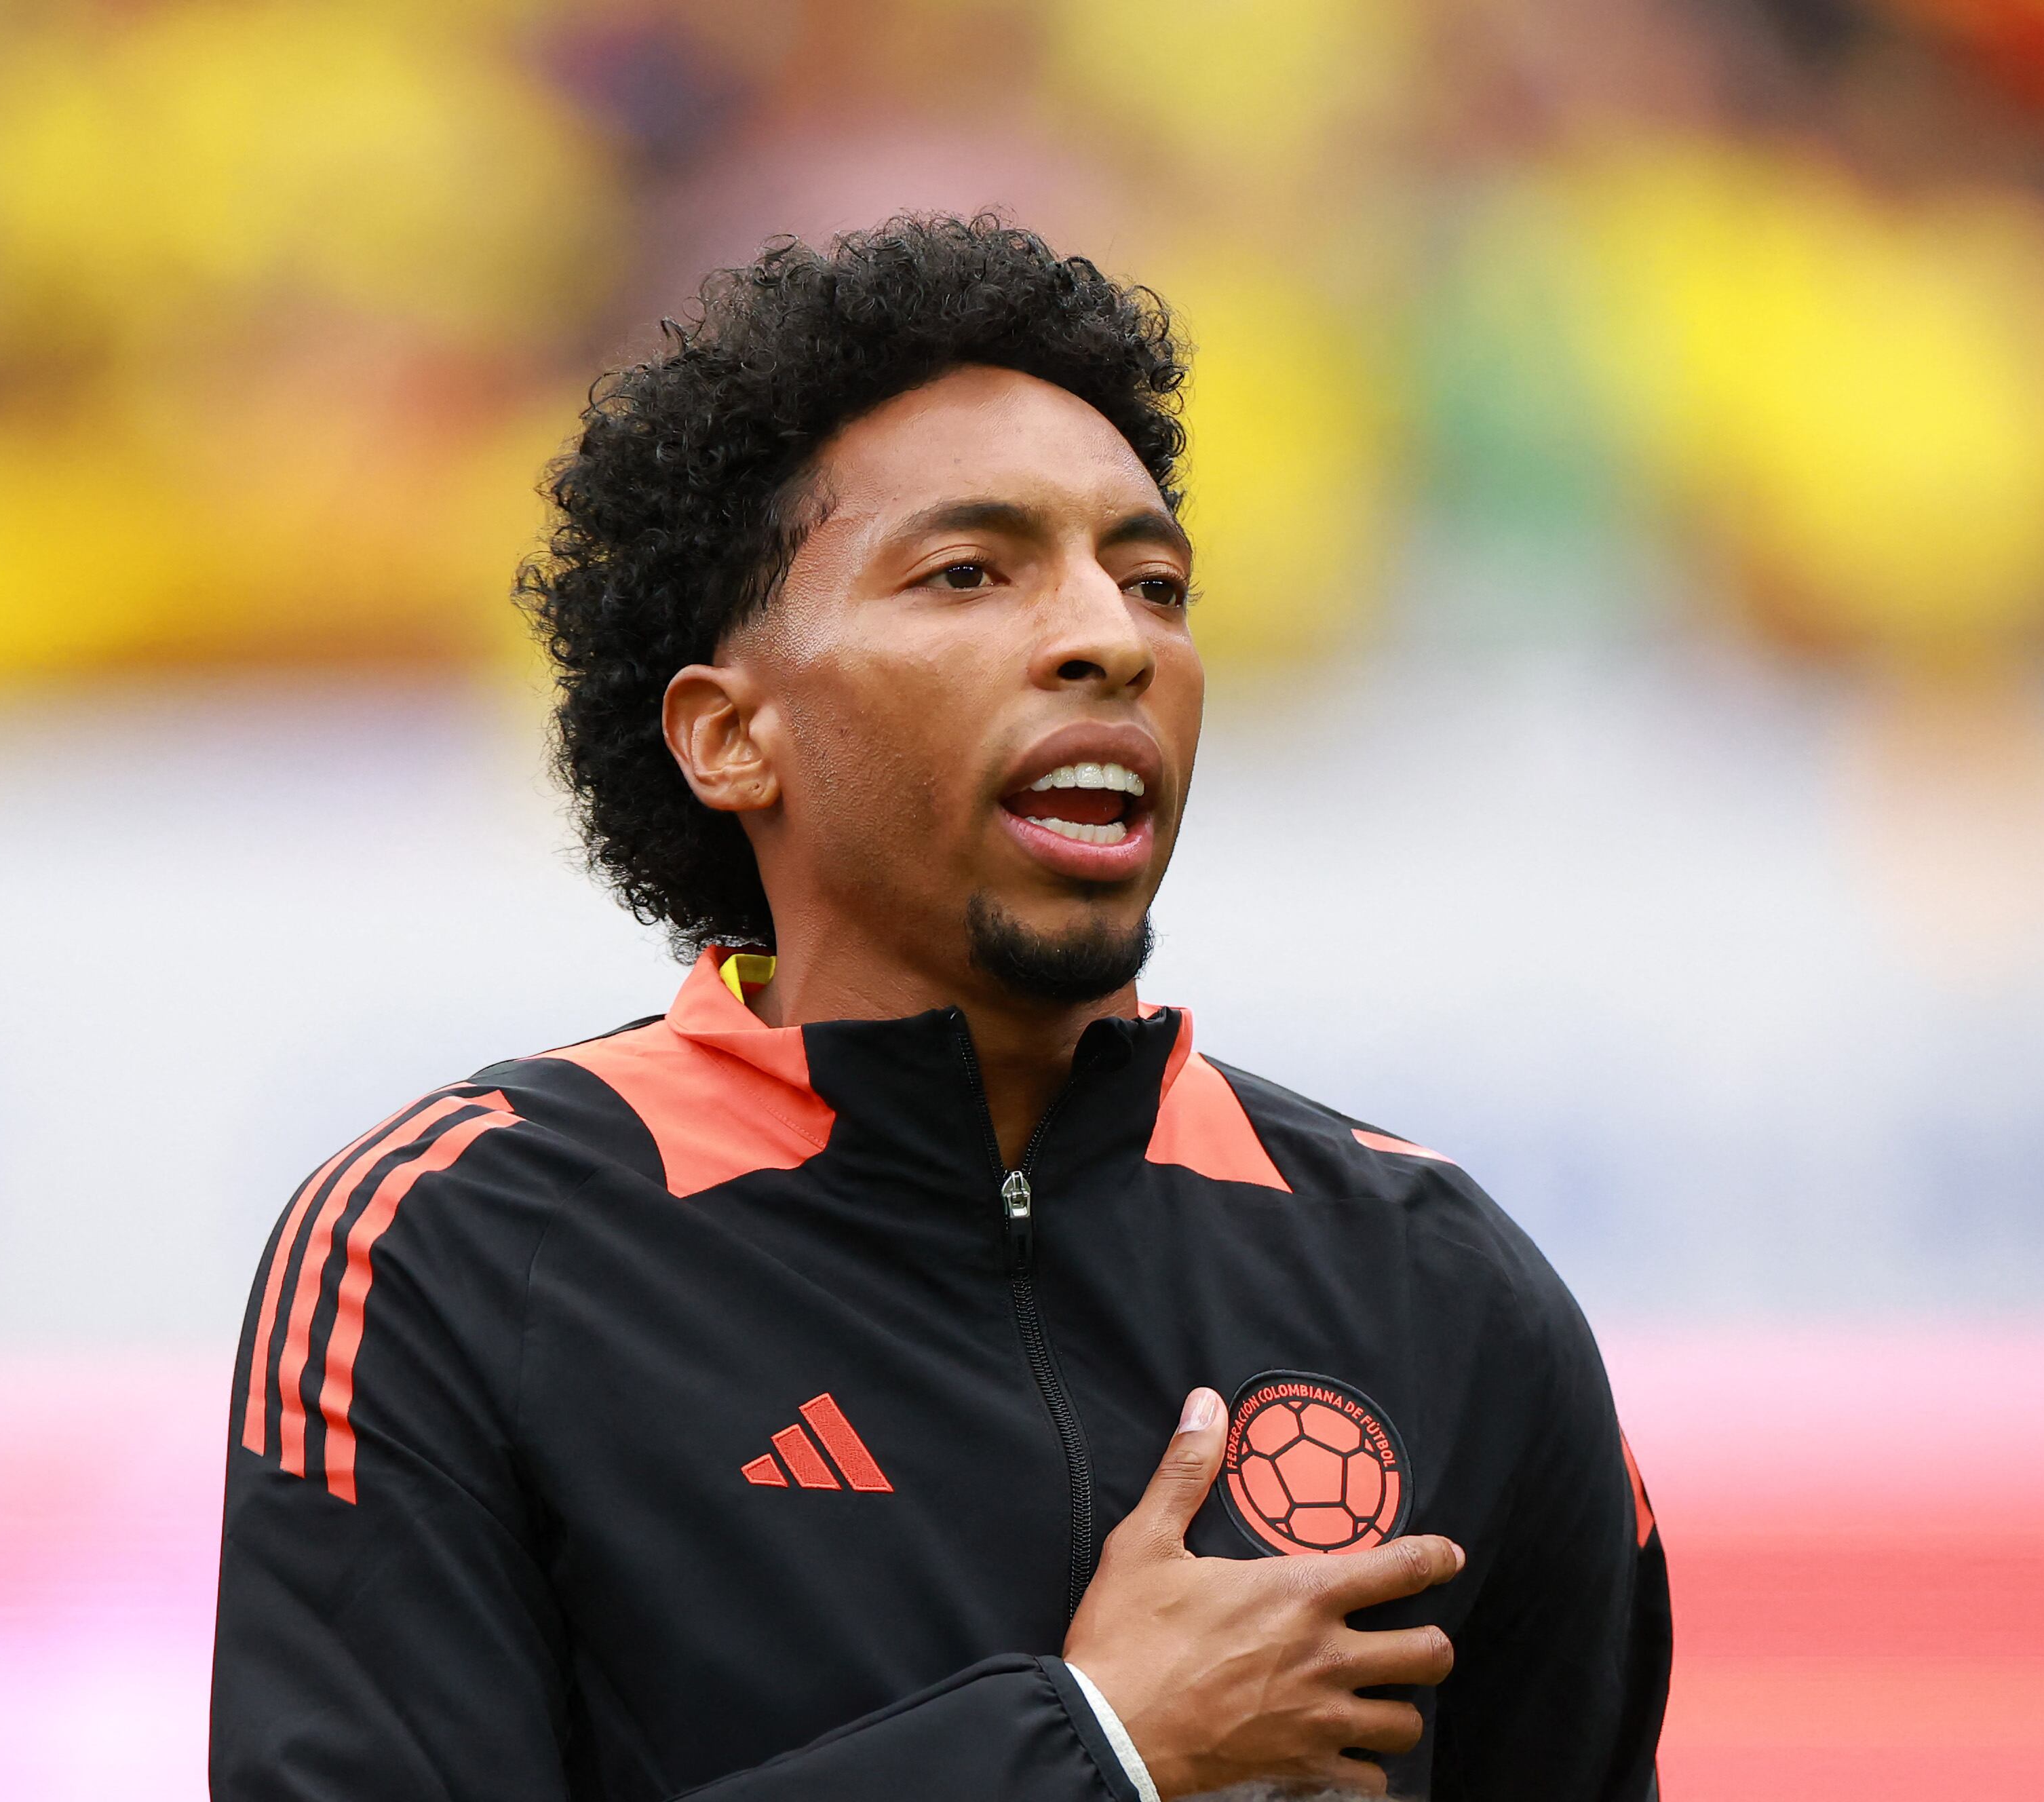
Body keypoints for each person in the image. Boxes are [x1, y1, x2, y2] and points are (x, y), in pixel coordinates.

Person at [211, 214, 1669, 1801]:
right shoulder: (457, 1244)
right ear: (726, 738)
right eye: (970, 572)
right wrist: (1092, 1746)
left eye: (1153, 580)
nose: (1107, 639)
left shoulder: (1436, 1280)